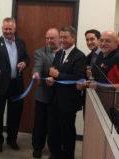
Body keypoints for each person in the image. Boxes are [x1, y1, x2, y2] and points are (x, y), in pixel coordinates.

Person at [0, 17, 29, 153]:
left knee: (15, 114)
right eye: (5, 29)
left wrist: (24, 63)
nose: (8, 31)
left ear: (14, 29)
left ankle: (12, 139)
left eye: (10, 29)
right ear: (2, 29)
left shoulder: (21, 43)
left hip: (16, 85)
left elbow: (26, 57)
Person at [46, 26, 86, 159]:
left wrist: (58, 75)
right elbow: (54, 73)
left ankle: (68, 156)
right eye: (61, 37)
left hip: (68, 102)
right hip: (54, 99)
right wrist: (51, 79)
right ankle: (55, 154)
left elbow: (79, 78)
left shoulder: (79, 56)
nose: (62, 40)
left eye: (65, 37)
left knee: (67, 132)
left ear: (73, 38)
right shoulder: (59, 53)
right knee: (53, 130)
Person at [32, 28, 60, 158]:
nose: (49, 40)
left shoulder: (65, 52)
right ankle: (37, 147)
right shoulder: (39, 52)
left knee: (55, 124)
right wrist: (36, 74)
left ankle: (54, 149)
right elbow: (37, 66)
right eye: (47, 38)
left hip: (59, 95)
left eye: (52, 38)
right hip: (43, 93)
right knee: (40, 123)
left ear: (59, 38)